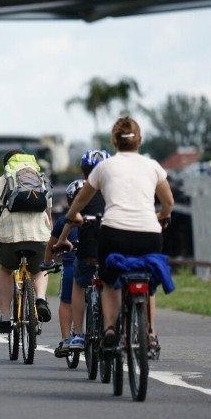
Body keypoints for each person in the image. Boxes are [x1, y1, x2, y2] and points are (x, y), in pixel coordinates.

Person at [55, 117, 174, 352]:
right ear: (140, 140)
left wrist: (73, 216)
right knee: (147, 280)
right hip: (149, 234)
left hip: (114, 233)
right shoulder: (153, 166)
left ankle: (109, 329)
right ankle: (150, 334)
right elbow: (168, 202)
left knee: (110, 280)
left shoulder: (103, 168)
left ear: (114, 141)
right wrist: (163, 215)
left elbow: (80, 199)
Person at [0, 149, 53, 334]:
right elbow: (49, 215)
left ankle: (5, 317)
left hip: (10, 238)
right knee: (40, 269)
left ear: (7, 165)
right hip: (39, 236)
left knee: (6, 270)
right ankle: (41, 299)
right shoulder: (42, 180)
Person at [67, 149, 110, 353]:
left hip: (88, 248)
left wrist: (60, 241)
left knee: (78, 282)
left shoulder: (82, 190)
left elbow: (70, 217)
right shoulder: (116, 188)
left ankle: (78, 334)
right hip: (113, 244)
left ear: (84, 174)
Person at [45, 180, 83, 357]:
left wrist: (46, 263)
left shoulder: (64, 220)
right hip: (96, 264)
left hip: (71, 265)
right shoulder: (101, 217)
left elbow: (51, 246)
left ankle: (67, 339)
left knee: (66, 302)